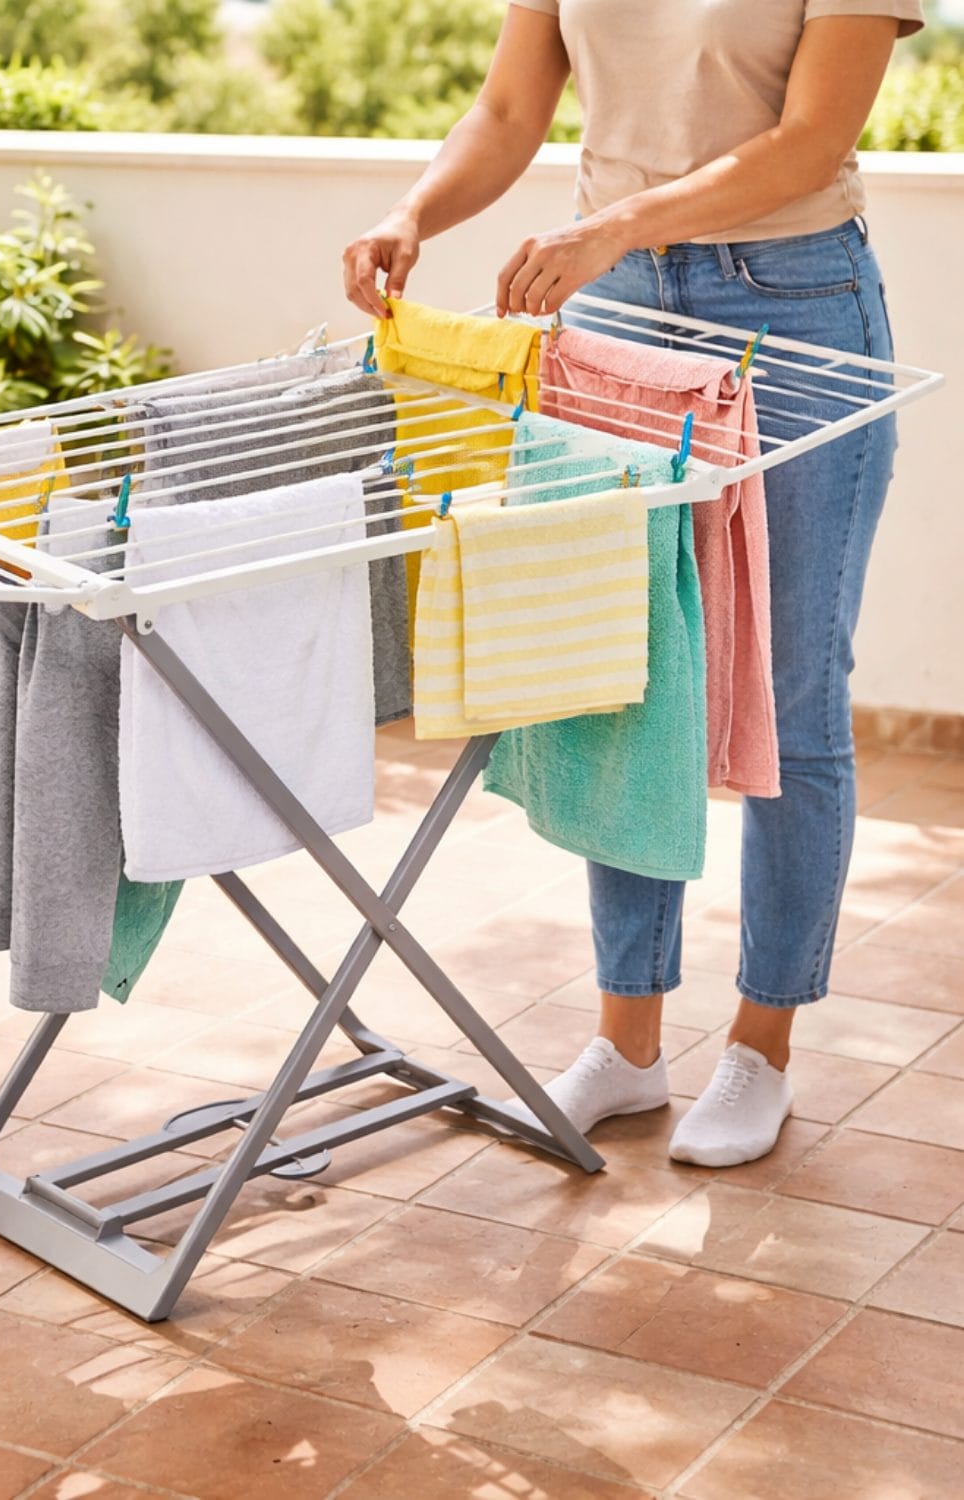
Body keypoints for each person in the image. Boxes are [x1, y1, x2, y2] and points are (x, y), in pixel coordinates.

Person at [342, 0, 924, 1167]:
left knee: (793, 691)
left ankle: (762, 1050)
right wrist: (415, 213)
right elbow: (511, 110)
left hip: (791, 301)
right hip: (615, 305)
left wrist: (613, 225)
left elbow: (813, 140)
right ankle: (629, 1045)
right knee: (619, 670)